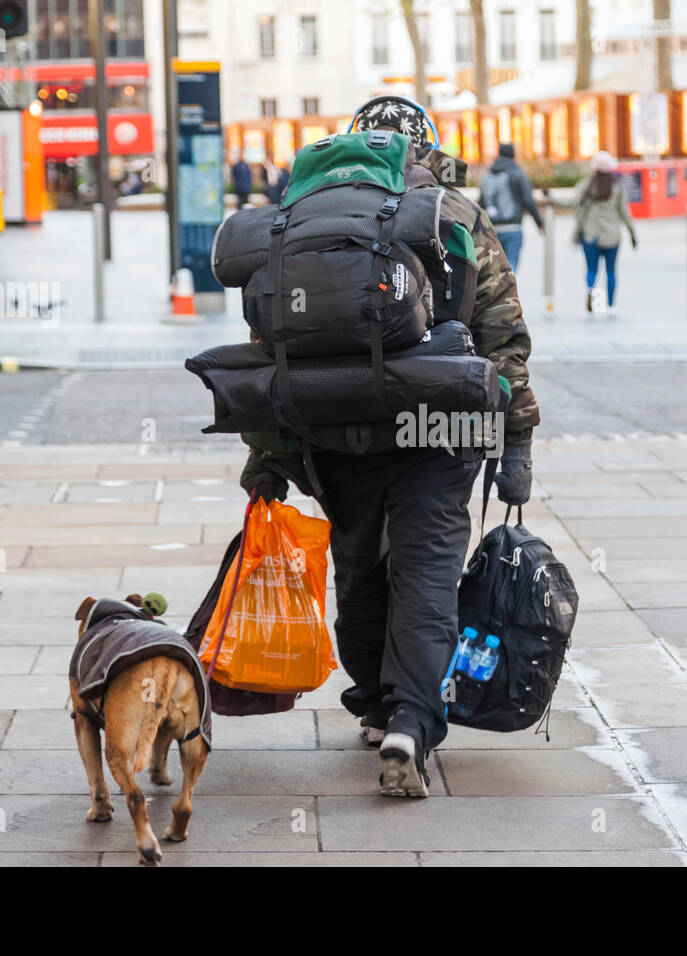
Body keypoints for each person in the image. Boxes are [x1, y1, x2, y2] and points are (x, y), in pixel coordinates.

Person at [238, 95, 539, 797]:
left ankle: (375, 701)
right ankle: (411, 718)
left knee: (360, 569)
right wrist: (516, 442)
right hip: (441, 429)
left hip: (337, 426)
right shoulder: (453, 212)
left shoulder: (304, 216)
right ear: (427, 147)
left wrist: (268, 459)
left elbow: (272, 345)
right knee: (428, 574)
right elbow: (503, 336)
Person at [573, 151, 637, 317]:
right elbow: (625, 213)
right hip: (612, 236)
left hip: (590, 235)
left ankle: (592, 296)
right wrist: (633, 234)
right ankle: (610, 306)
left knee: (592, 269)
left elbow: (576, 205)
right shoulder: (617, 187)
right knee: (610, 270)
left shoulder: (587, 185)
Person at [480, 143, 544, 271]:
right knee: (510, 267)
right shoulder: (517, 173)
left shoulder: (489, 175)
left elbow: (482, 202)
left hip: (491, 229)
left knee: (494, 269)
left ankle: (497, 291)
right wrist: (540, 223)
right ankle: (507, 290)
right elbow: (528, 200)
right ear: (513, 154)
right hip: (512, 228)